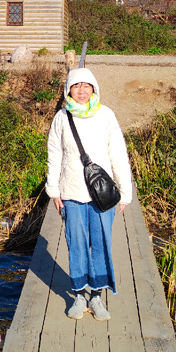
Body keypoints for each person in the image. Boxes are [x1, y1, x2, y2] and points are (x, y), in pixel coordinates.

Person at [46, 67, 133, 321]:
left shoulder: (106, 115)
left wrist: (125, 192)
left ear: (94, 88)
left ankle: (96, 296)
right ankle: (79, 296)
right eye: (76, 86)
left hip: (102, 196)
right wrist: (53, 190)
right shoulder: (62, 118)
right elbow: (54, 154)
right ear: (68, 90)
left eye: (87, 85)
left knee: (101, 243)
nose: (82, 91)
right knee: (77, 244)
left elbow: (118, 154)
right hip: (71, 192)